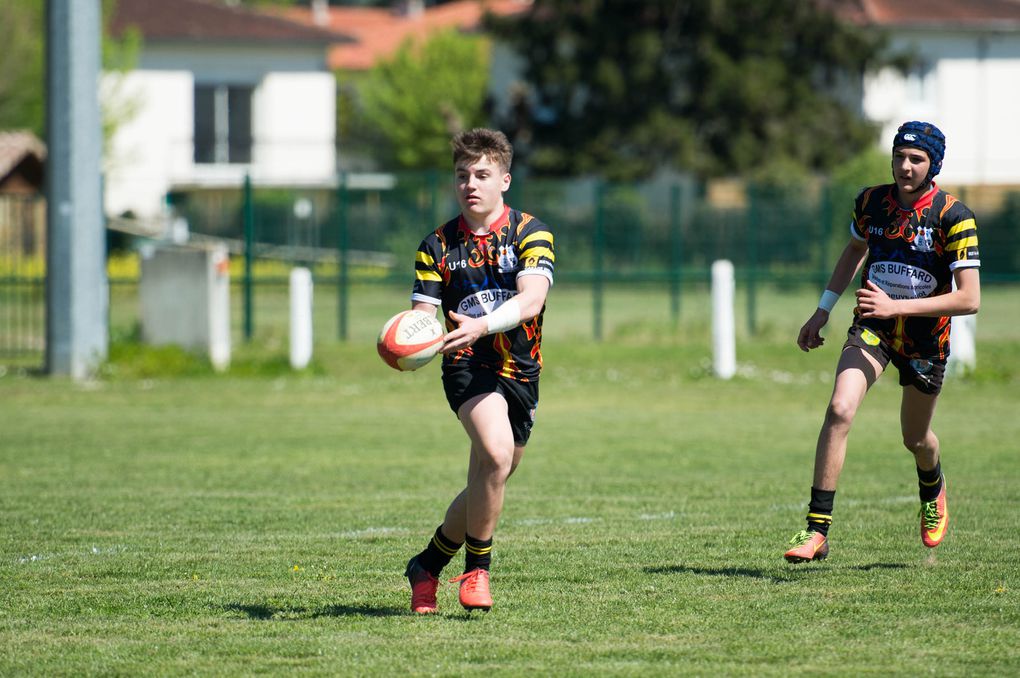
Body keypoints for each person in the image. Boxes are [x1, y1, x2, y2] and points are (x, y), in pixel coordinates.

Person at [784, 121, 980, 563]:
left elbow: (969, 298)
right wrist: (823, 309)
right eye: (899, 156)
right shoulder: (871, 202)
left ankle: (932, 486)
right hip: (873, 327)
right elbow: (854, 250)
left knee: (916, 439)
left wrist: (898, 308)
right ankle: (817, 531)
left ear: (933, 165)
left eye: (916, 159)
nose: (905, 166)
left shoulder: (954, 216)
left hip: (926, 340)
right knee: (839, 409)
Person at [403, 128, 555, 611]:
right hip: (467, 366)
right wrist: (413, 343)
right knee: (494, 451)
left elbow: (532, 300)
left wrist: (483, 324)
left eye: (482, 174)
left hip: (522, 371)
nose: (471, 183)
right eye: (462, 175)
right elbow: (424, 317)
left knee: (492, 475)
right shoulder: (436, 246)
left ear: (504, 180)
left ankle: (426, 566)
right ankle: (477, 572)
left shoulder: (531, 233)